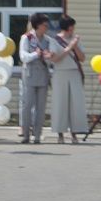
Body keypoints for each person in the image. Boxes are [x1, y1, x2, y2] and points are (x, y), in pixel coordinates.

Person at [49, 15, 87, 144]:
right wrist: (69, 47)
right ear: (66, 27)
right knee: (61, 103)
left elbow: (82, 58)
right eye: (71, 27)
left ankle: (75, 134)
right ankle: (60, 134)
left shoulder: (76, 40)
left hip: (74, 73)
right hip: (60, 73)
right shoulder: (55, 40)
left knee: (76, 104)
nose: (73, 30)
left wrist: (75, 46)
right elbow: (54, 59)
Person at [19, 13, 53, 144]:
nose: (47, 27)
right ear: (38, 25)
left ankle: (38, 135)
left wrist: (48, 56)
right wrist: (36, 54)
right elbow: (23, 56)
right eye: (45, 25)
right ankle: (26, 135)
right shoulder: (27, 38)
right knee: (27, 106)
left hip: (43, 75)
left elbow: (50, 60)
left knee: (41, 107)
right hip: (29, 75)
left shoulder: (48, 40)